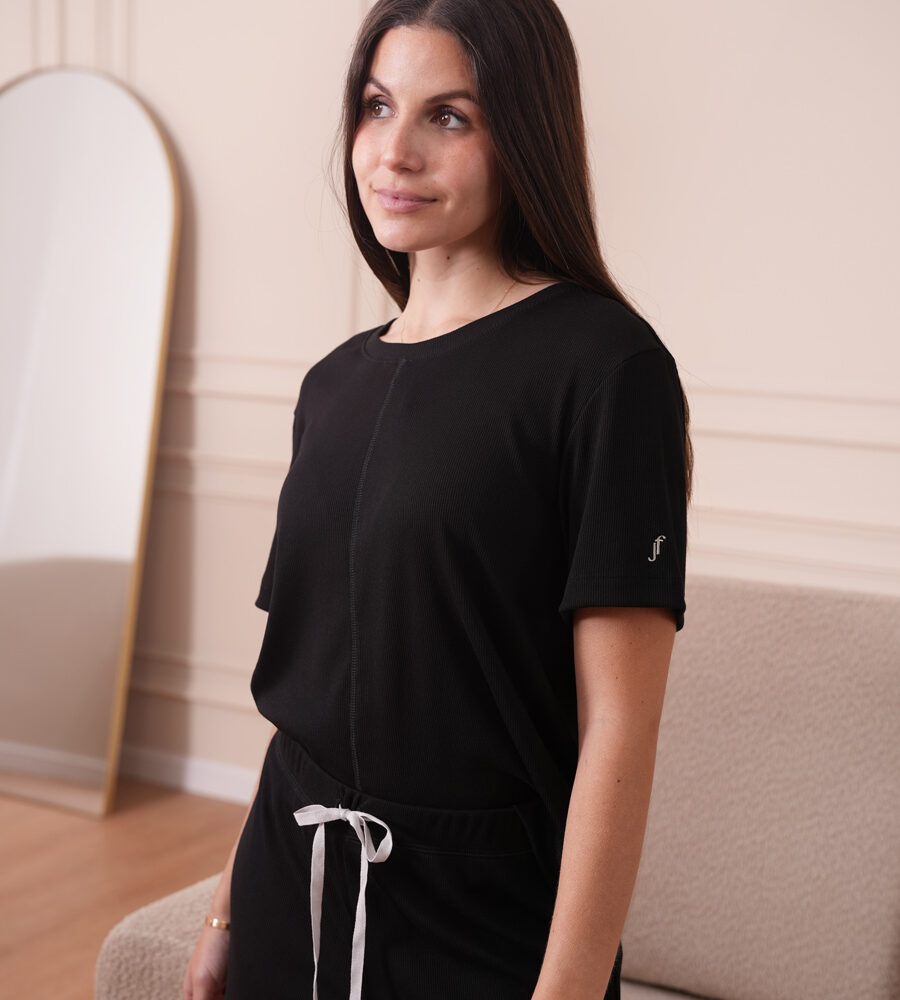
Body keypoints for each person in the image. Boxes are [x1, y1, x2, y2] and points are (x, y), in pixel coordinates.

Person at [183, 1, 692, 998]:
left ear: (525, 133)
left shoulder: (607, 370)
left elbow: (620, 735)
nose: (394, 152)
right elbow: (306, 702)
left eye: (448, 116)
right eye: (377, 107)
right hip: (292, 888)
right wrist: (226, 908)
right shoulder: (331, 385)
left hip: (479, 926)